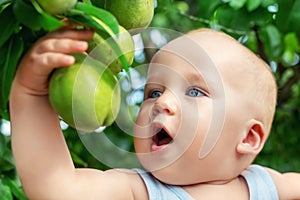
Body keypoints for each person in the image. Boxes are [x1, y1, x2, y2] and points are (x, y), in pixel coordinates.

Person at [9, 25, 300, 199]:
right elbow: (58, 188)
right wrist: (30, 94)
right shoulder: (139, 191)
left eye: (195, 92)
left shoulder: (267, 187)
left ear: (248, 138)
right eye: (154, 92)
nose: (161, 103)